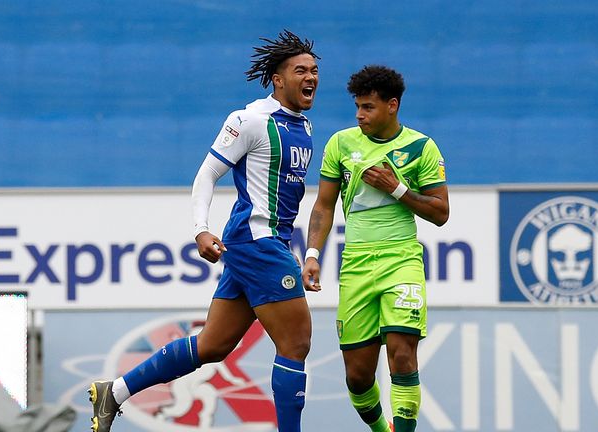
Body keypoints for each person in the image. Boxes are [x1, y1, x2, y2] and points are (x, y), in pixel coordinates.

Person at [88, 30, 320, 432]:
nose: (311, 77)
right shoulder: (248, 120)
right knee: (296, 342)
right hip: (255, 242)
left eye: (315, 70)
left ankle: (116, 392)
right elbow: (207, 174)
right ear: (278, 79)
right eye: (301, 70)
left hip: (267, 244)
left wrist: (287, 247)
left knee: (212, 346)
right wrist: (200, 228)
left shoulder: (305, 128)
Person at [302, 65, 448, 432]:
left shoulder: (421, 147)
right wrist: (313, 255)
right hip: (356, 265)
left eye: (367, 107)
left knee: (402, 356)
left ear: (392, 106)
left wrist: (397, 188)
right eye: (357, 106)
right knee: (358, 377)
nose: (359, 114)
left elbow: (441, 213)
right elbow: (323, 206)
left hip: (401, 260)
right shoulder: (341, 143)